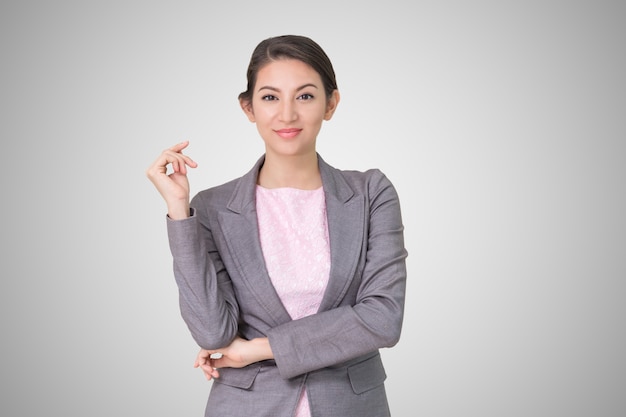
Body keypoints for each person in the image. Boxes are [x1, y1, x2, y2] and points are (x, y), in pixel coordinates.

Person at [146, 34, 408, 417]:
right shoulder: (213, 209)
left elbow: (382, 319)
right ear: (248, 107)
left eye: (304, 96)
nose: (287, 115)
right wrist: (179, 211)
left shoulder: (371, 193)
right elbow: (213, 332)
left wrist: (256, 349)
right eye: (270, 97)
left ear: (330, 103)